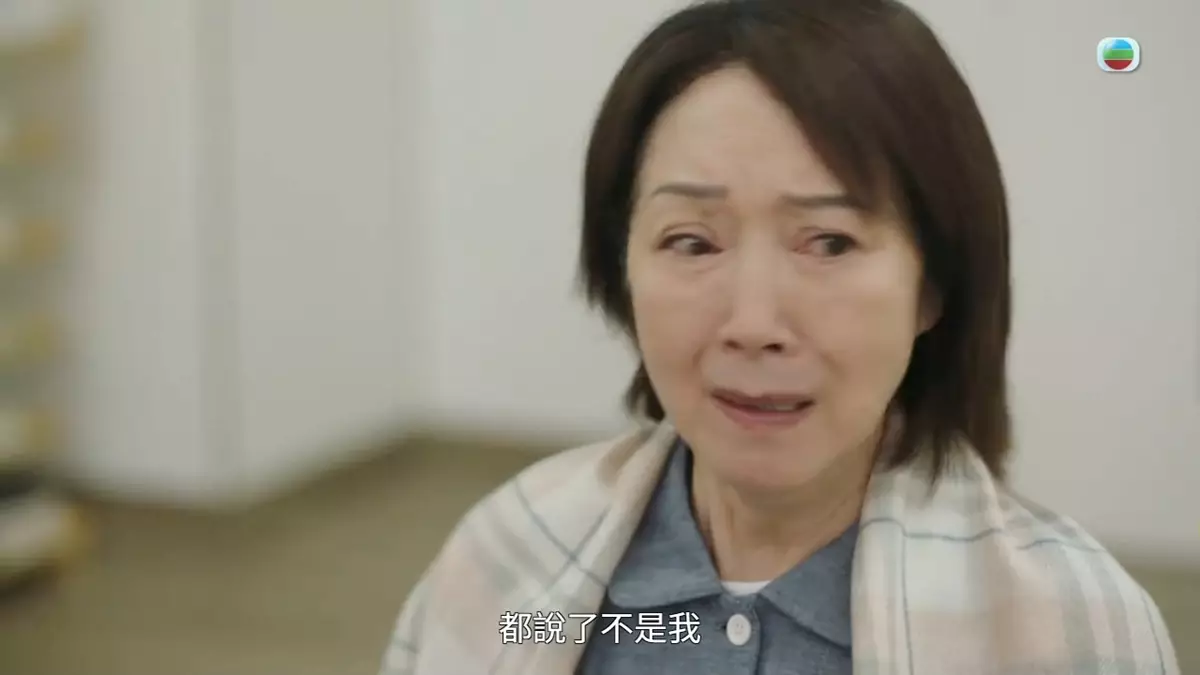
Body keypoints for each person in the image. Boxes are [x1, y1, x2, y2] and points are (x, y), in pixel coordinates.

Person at [379, 1, 1179, 673]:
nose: (754, 324)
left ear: (933, 283)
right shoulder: (512, 562)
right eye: (692, 240)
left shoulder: (1067, 629)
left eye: (828, 242)